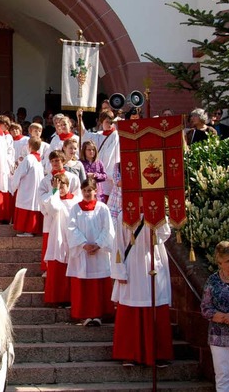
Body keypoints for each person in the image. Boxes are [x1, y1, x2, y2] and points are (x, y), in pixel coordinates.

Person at [111, 216, 173, 368]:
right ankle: (129, 353)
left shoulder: (157, 213)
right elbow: (118, 244)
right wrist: (119, 271)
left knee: (155, 305)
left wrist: (156, 219)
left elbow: (163, 236)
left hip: (154, 262)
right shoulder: (123, 215)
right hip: (132, 266)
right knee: (130, 308)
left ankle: (158, 353)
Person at [66, 178, 115, 327]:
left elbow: (108, 229)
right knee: (83, 284)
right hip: (82, 253)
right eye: (85, 190)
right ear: (81, 191)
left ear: (96, 191)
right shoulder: (75, 209)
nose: (87, 193)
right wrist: (83, 244)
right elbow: (71, 228)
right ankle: (85, 315)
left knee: (98, 285)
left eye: (90, 190)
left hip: (99, 253)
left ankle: (99, 315)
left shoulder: (102, 208)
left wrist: (98, 244)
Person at [201, 241, 229, 392]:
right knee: (223, 377)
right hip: (218, 337)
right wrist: (227, 319)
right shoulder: (213, 281)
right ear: (220, 263)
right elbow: (205, 309)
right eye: (228, 261)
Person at [37, 150, 81, 276]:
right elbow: (41, 197)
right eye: (52, 161)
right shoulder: (46, 180)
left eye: (57, 160)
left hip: (68, 215)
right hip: (52, 216)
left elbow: (77, 196)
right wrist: (52, 200)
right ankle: (48, 268)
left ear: (63, 161)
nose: (55, 163)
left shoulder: (72, 177)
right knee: (51, 240)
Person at [41, 173, 82, 305]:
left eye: (62, 185)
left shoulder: (76, 201)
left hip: (73, 236)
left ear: (68, 186)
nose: (60, 188)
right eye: (57, 185)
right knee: (58, 266)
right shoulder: (51, 199)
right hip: (57, 235)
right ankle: (57, 298)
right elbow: (53, 209)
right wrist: (54, 192)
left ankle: (72, 298)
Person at [78, 109, 120, 204]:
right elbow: (83, 133)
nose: (109, 124)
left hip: (111, 178)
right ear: (101, 123)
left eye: (111, 122)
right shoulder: (98, 136)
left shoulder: (117, 136)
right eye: (106, 122)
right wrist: (79, 118)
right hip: (99, 178)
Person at [10, 137, 44, 237]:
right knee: (32, 206)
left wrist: (13, 186)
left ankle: (28, 230)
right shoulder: (38, 160)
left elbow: (19, 173)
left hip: (27, 188)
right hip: (34, 188)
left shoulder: (29, 158)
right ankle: (31, 229)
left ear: (29, 146)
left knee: (27, 206)